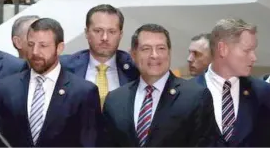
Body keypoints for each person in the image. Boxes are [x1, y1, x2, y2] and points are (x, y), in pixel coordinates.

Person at [0, 18, 101, 147]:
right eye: (31, 45)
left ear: (59, 48)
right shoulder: (5, 88)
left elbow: (89, 143)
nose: (35, 52)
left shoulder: (83, 92)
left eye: (43, 46)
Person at [101, 24, 218, 146]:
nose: (154, 55)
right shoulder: (115, 99)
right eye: (146, 49)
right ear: (133, 55)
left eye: (161, 48)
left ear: (169, 52)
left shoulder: (196, 97)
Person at [193, 18, 270, 147]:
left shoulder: (264, 93)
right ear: (222, 49)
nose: (254, 57)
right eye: (247, 50)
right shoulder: (185, 95)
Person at [61, 4, 139, 106]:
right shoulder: (63, 66)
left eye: (112, 31)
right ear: (86, 33)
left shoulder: (136, 68)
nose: (105, 37)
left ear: (120, 35)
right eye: (98, 31)